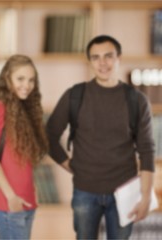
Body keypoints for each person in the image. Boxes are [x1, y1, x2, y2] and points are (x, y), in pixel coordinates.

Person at [46, 35, 155, 239]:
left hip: (124, 192)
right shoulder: (74, 95)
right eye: (95, 57)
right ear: (90, 62)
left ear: (119, 58)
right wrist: (72, 166)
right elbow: (49, 137)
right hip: (85, 192)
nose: (102, 63)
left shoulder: (137, 100)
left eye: (108, 56)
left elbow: (147, 151)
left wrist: (146, 197)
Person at [0, 54, 49, 239]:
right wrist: (11, 197)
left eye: (31, 80)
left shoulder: (24, 110)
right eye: (20, 78)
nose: (27, 85)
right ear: (7, 78)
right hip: (9, 204)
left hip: (26, 203)